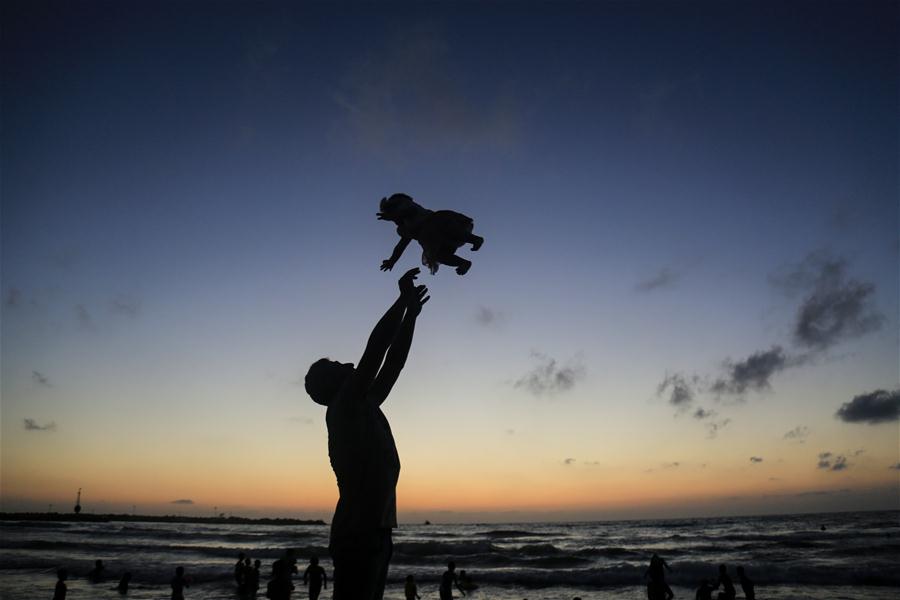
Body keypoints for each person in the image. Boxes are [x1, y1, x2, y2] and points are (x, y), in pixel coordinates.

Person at [305, 268, 430, 600]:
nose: (347, 364)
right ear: (330, 386)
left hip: (376, 530)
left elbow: (393, 365)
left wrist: (411, 317)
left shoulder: (364, 405)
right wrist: (401, 302)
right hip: (358, 532)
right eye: (337, 366)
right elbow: (374, 353)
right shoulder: (343, 409)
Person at [378, 193, 483, 275]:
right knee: (437, 256)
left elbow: (409, 211)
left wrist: (393, 215)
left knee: (444, 226)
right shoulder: (405, 229)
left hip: (442, 224)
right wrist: (392, 261)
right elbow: (401, 246)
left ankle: (473, 239)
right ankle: (463, 263)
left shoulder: (412, 210)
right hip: (436, 241)